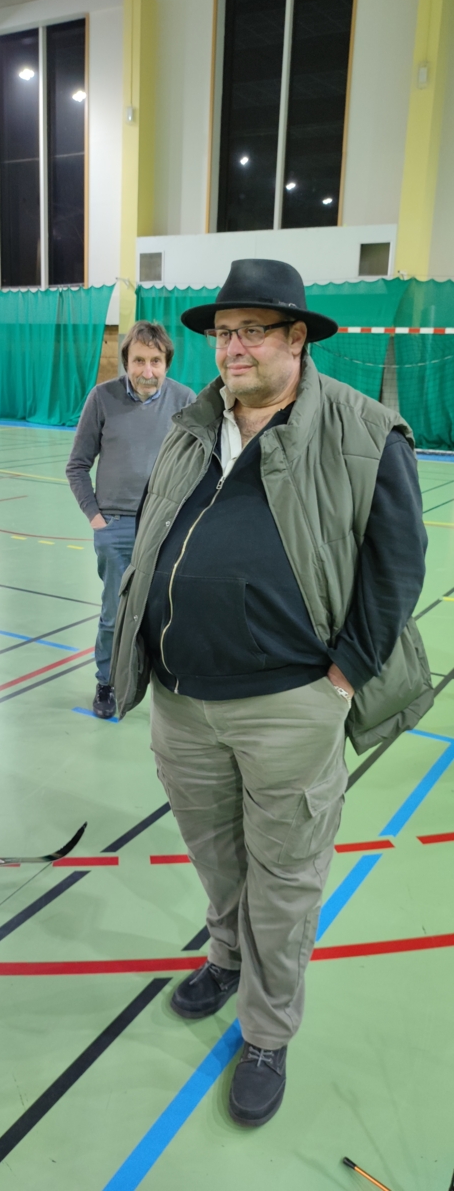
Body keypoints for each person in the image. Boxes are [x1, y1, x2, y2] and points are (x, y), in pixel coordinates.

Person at [111, 260, 432, 1126]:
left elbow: (397, 568)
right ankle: (225, 956)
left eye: (254, 331)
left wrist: (342, 678)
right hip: (183, 703)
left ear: (297, 339)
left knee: (285, 879)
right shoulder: (192, 425)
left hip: (290, 706)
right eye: (224, 333)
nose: (234, 348)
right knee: (218, 858)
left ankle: (266, 1031)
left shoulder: (365, 432)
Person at [66, 320, 194, 719]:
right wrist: (96, 519)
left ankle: (167, 688)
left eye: (155, 361)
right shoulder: (102, 398)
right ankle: (107, 683)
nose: (147, 371)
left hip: (166, 528)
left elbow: (199, 463)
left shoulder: (185, 401)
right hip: (116, 528)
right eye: (139, 360)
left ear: (167, 363)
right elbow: (77, 465)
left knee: (167, 612)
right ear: (126, 362)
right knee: (114, 615)